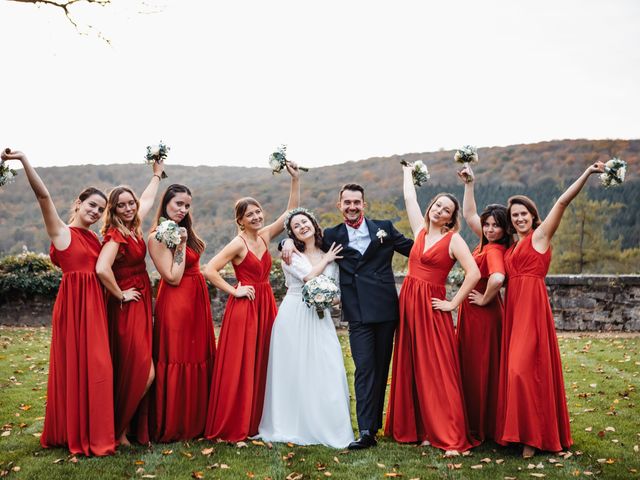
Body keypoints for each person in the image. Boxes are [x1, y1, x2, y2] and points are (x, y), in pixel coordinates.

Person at [281, 183, 413, 450]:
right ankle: (365, 431)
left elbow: (416, 250)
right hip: (357, 312)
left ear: (364, 204)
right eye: (347, 202)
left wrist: (445, 243)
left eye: (357, 202)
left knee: (380, 367)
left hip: (385, 309)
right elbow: (304, 242)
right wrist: (283, 243)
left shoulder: (383, 228)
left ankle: (373, 427)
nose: (352, 206)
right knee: (364, 369)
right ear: (339, 205)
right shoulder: (332, 235)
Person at [1, 148, 115, 456]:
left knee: (98, 367)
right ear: (78, 203)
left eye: (101, 209)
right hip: (75, 308)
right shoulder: (62, 232)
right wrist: (24, 160)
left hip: (95, 308)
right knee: (80, 367)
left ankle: (93, 428)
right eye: (92, 205)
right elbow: (43, 198)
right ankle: (76, 431)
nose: (96, 211)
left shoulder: (96, 239)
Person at [496, 161, 605, 458]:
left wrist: (588, 172)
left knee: (523, 370)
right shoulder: (510, 247)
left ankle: (533, 437)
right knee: (515, 371)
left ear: (533, 216)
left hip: (532, 309)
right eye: (514, 215)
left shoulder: (540, 237)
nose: (519, 218)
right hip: (514, 310)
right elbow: (472, 220)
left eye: (523, 214)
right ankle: (518, 434)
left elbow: (562, 201)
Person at [384, 163, 480, 455]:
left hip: (432, 307)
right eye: (437, 205)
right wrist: (406, 172)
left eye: (446, 210)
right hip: (409, 304)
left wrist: (452, 303)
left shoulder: (454, 240)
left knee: (438, 368)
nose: (440, 211)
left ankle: (448, 433)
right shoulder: (420, 232)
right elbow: (410, 199)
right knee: (413, 364)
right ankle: (420, 429)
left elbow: (473, 273)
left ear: (451, 218)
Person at [204, 162, 300, 442]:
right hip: (245, 307)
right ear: (240, 220)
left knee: (264, 360)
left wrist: (295, 181)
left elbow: (290, 213)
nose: (257, 216)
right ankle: (236, 422)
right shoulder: (238, 244)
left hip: (265, 304)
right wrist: (234, 291)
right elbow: (209, 269)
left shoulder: (266, 235)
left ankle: (260, 419)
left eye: (258, 211)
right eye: (250, 214)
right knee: (242, 364)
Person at [257, 208, 354, 448]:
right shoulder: (290, 254)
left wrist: (330, 298)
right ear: (292, 234)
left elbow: (338, 290)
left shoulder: (328, 252)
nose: (302, 227)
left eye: (305, 222)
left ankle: (328, 425)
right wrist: (325, 260)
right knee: (294, 369)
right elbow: (309, 277)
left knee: (327, 366)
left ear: (313, 223)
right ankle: (292, 424)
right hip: (294, 313)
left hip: (320, 317)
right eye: (296, 226)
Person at [95, 160, 164, 446]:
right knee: (143, 371)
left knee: (133, 366)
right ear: (112, 210)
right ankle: (117, 428)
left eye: (130, 203)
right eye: (121, 205)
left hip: (140, 301)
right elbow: (101, 268)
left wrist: (157, 175)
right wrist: (121, 294)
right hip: (127, 304)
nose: (128, 208)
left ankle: (124, 430)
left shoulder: (133, 226)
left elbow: (147, 199)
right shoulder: (116, 234)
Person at [148, 184, 216, 442]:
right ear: (165, 203)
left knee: (198, 354)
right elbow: (173, 277)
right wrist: (181, 244)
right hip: (177, 301)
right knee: (178, 356)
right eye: (178, 204)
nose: (182, 209)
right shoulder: (157, 236)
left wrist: (186, 238)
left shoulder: (183, 230)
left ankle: (199, 419)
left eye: (187, 205)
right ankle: (178, 422)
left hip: (197, 300)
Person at [456, 165, 509, 443]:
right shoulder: (485, 241)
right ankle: (476, 419)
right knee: (474, 365)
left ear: (505, 228)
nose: (489, 228)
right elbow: (468, 215)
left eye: (495, 225)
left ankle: (482, 425)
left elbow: (498, 277)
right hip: (476, 312)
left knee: (479, 367)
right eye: (487, 224)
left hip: (482, 315)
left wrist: (485, 298)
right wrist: (470, 184)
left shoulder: (495, 249)